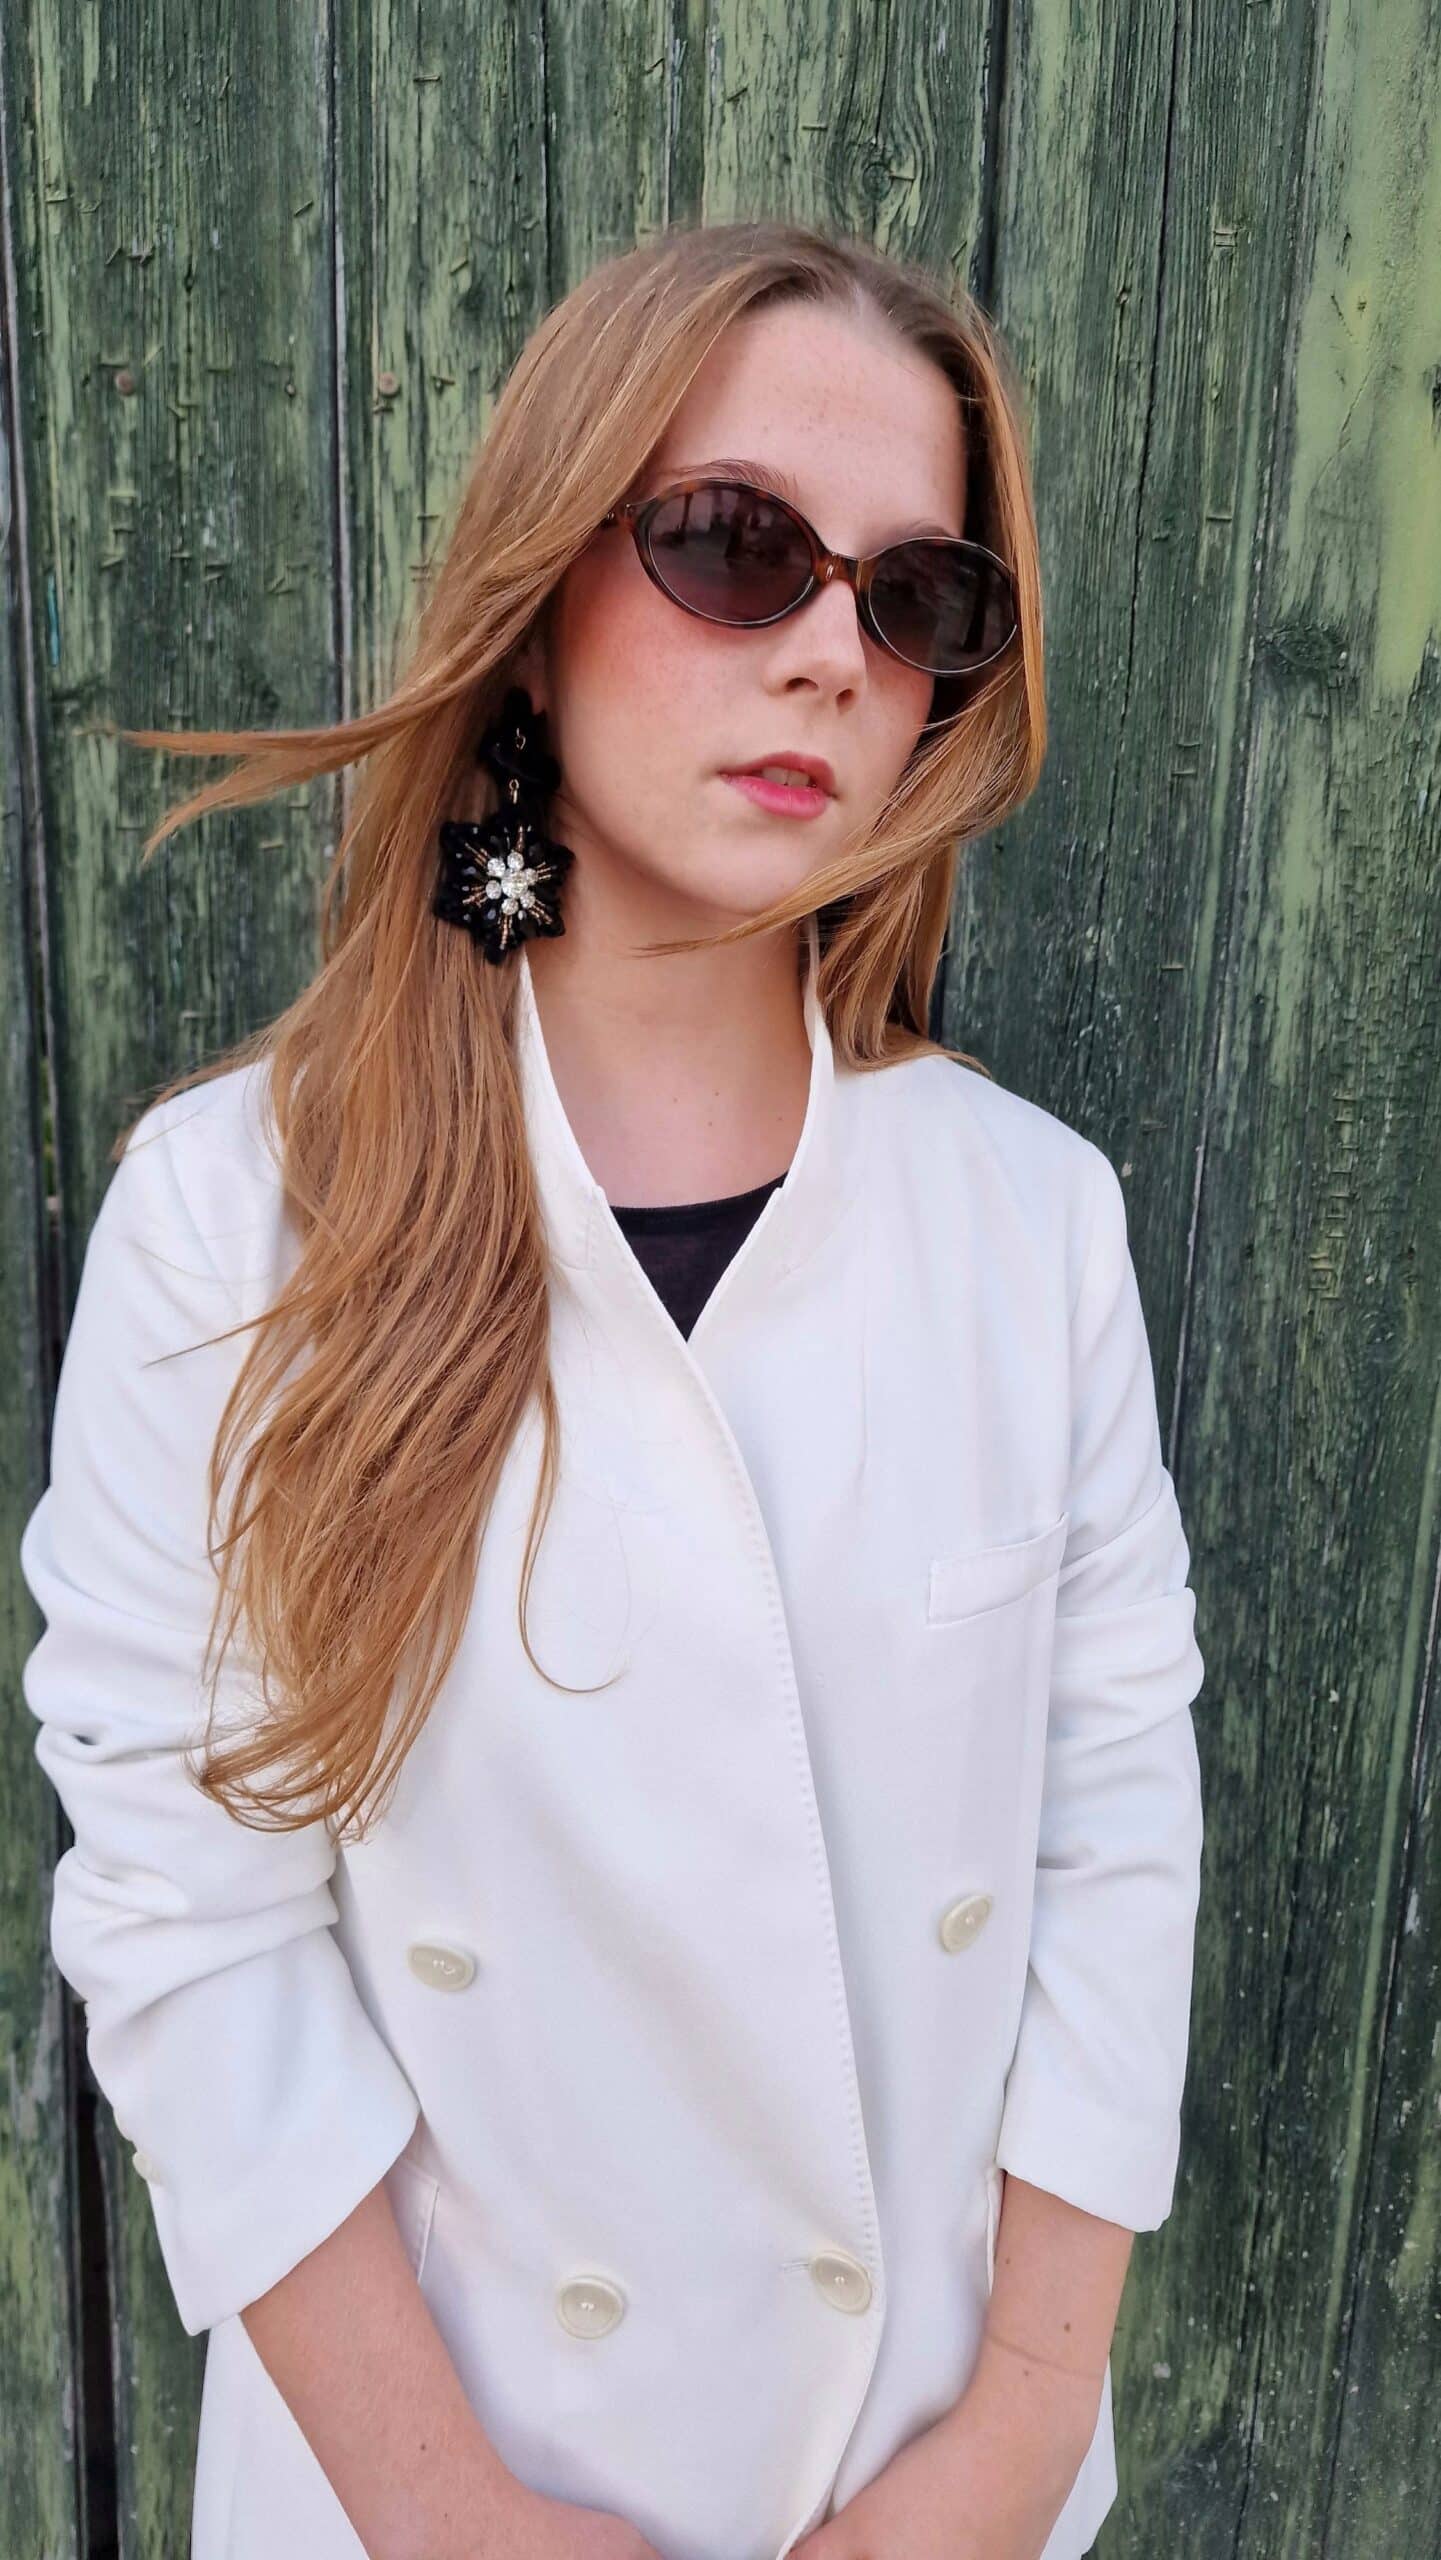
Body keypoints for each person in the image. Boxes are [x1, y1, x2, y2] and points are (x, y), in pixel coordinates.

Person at [18, 218, 1205, 2560]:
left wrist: (1015, 2432)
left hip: (922, 2473)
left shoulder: (1029, 1222)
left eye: (916, 597)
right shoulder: (234, 1220)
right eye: (734, 544)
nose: (830, 654)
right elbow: (183, 1911)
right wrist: (449, 2508)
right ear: (542, 590)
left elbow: (1110, 1827)